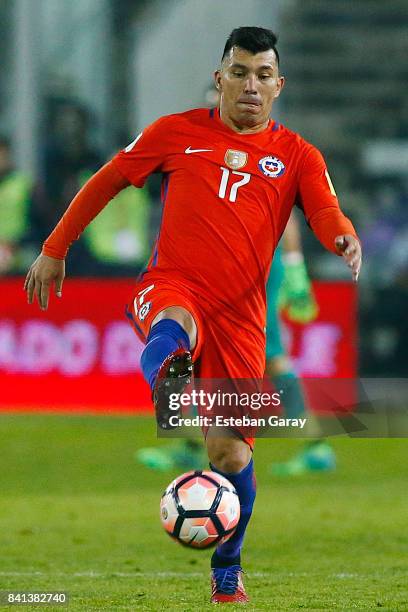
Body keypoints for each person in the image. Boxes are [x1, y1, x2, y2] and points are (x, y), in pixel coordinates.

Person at [24, 27, 362, 604]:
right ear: (220, 78)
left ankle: (227, 566)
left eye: (262, 75)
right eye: (239, 72)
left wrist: (344, 239)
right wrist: (55, 249)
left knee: (230, 455)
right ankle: (171, 387)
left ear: (278, 85)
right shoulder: (174, 133)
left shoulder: (299, 155)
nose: (250, 85)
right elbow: (105, 181)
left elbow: (326, 211)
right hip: (173, 284)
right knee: (172, 323)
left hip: (241, 317)